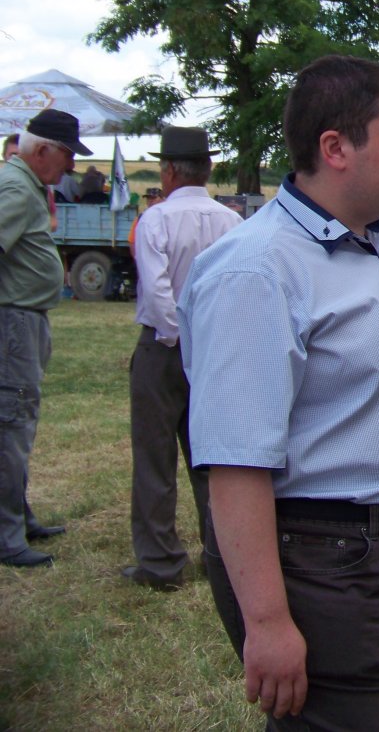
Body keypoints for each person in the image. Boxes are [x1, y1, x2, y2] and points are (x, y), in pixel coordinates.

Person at [178, 55, 379, 727]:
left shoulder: (362, 246)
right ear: (335, 147)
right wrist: (269, 622)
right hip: (326, 559)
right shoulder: (258, 269)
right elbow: (236, 460)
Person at [123, 128, 243, 591]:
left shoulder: (157, 220)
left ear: (168, 170)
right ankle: (220, 555)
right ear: (208, 169)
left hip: (163, 347)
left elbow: (156, 293)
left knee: (154, 457)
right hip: (214, 350)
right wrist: (205, 340)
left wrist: (178, 335)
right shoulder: (231, 222)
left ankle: (160, 561)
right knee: (211, 460)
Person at [0, 109, 93, 568]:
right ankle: (7, 536)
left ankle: (18, 515)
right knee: (10, 424)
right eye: (68, 155)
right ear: (41, 151)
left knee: (19, 420)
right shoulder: (16, 188)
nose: (72, 167)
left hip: (23, 319)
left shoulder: (24, 185)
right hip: (12, 321)